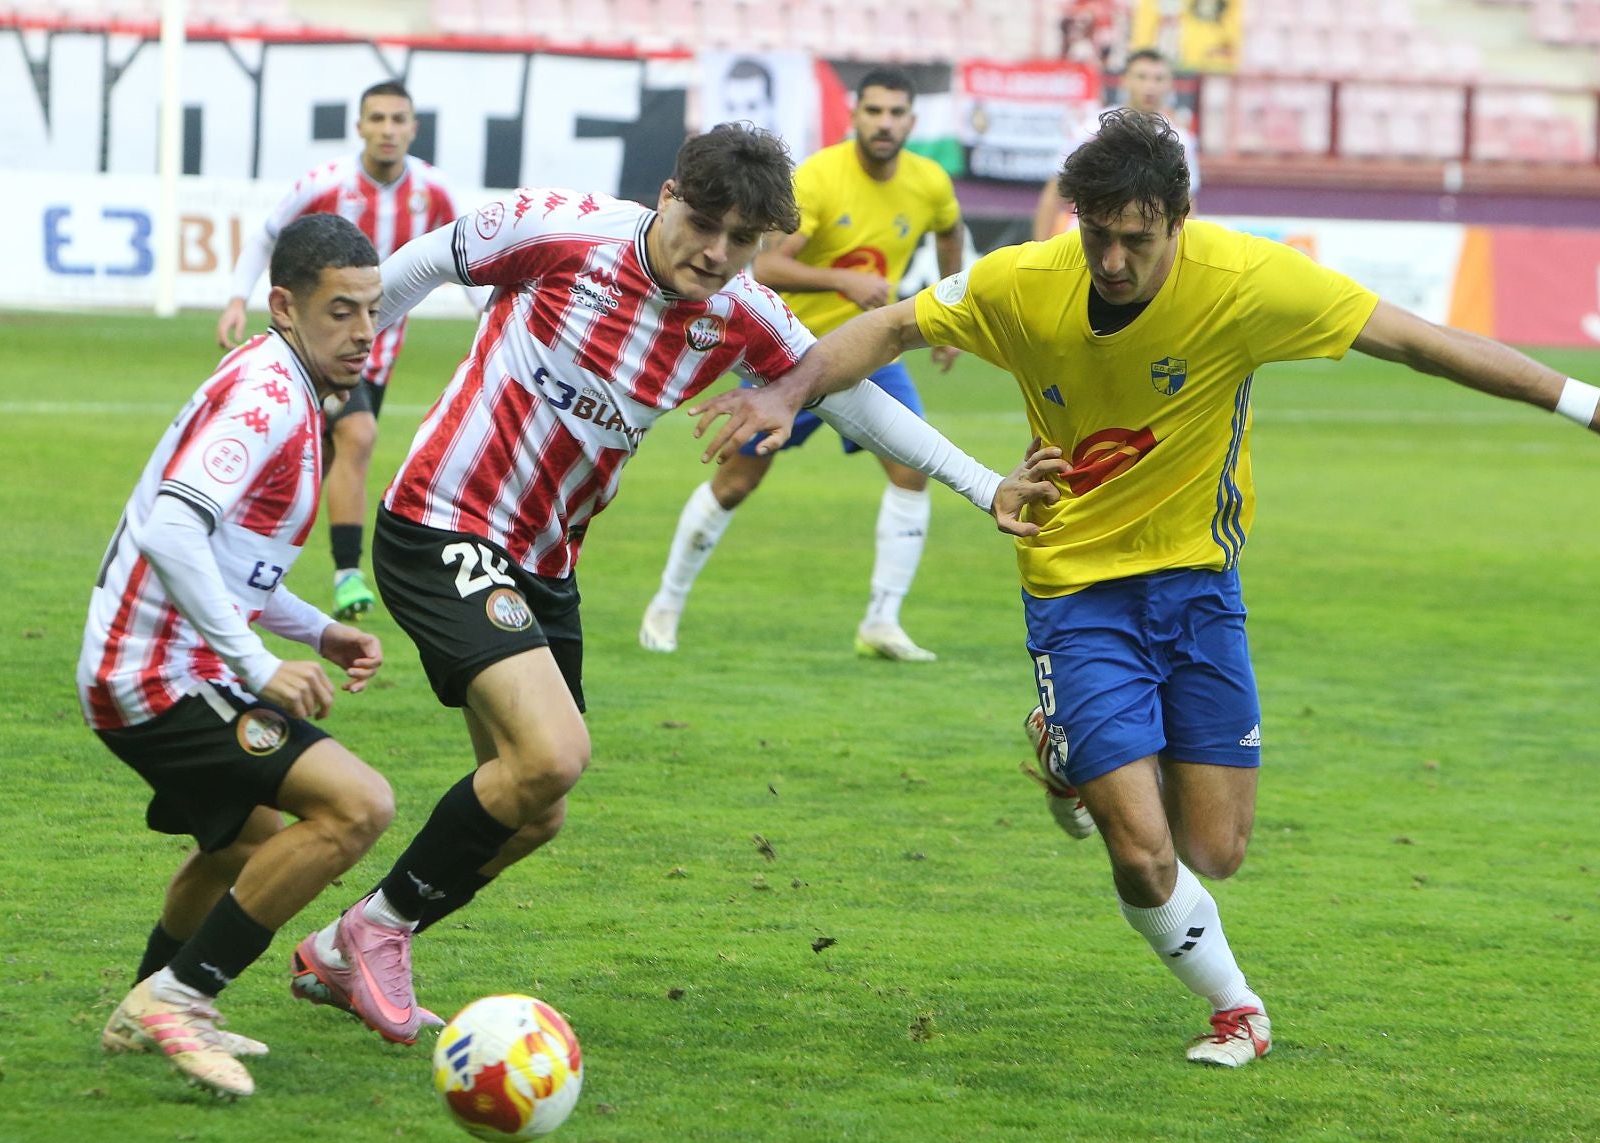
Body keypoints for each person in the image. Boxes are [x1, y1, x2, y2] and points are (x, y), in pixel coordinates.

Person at [689, 110, 1600, 1069]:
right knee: (1144, 858)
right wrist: (788, 390)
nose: (1113, 260)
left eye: (1138, 240)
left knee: (1214, 851)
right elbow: (891, 329)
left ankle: (1066, 753)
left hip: (1198, 586)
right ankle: (1238, 1009)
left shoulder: (1246, 280)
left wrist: (1587, 402)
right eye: (1098, 235)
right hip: (1073, 585)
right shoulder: (1025, 279)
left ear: (1180, 222)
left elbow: (1416, 339)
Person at [286, 124, 1063, 1046]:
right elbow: (421, 266)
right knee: (552, 757)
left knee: (535, 807)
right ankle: (374, 931)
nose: (716, 253)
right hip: (445, 519)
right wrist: (313, 374)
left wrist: (984, 485)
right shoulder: (560, 229)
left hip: (546, 562)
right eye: (703, 224)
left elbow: (856, 401)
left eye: (743, 240)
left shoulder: (742, 311)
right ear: (666, 195)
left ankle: (344, 948)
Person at [84, 214, 397, 1099]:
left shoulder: (289, 384)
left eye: (372, 311)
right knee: (358, 807)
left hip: (157, 665)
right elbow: (172, 531)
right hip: (156, 676)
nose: (364, 333)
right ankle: (179, 999)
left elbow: (230, 562)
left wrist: (317, 630)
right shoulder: (267, 397)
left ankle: (141, 1006)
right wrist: (258, 665)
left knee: (248, 845)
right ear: (284, 307)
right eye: (341, 311)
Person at [638, 68, 967, 663]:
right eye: (874, 111)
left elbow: (949, 232)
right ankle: (666, 603)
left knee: (911, 471)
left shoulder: (929, 182)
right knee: (736, 483)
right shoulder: (818, 179)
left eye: (896, 113)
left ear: (912, 122)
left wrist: (948, 313)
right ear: (855, 115)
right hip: (788, 356)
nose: (885, 123)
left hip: (868, 354)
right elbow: (764, 267)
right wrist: (842, 279)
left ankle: (882, 621)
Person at [217, 80, 462, 623]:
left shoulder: (435, 192)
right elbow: (266, 235)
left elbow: (465, 255)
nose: (388, 130)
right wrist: (236, 298)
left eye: (398, 119)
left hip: (377, 355)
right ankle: (348, 574)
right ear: (359, 127)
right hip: (319, 348)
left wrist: (491, 317)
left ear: (413, 128)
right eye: (377, 118)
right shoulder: (325, 183)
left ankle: (243, 551)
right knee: (358, 434)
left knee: (319, 458)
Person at [1034, 49, 1198, 241]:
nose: (1150, 86)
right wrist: (1038, 248)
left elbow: (1186, 204)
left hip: (1145, 244)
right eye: (1142, 77)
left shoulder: (1180, 141)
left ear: (1170, 85)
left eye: (1159, 79)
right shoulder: (1092, 131)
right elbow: (1054, 193)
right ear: (1125, 81)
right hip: (1087, 238)